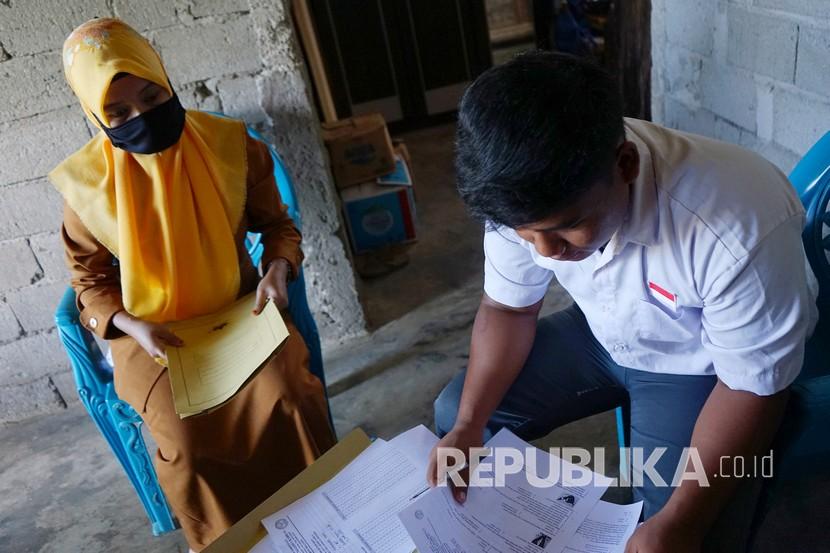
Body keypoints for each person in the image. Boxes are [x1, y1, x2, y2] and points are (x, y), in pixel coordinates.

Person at [428, 51, 819, 552]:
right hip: (602, 330)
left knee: (677, 531)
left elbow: (753, 389)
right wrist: (467, 425)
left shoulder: (734, 226)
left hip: (704, 362)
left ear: (625, 164)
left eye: (565, 227)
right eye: (528, 236)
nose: (548, 253)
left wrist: (682, 521)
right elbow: (508, 309)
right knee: (459, 417)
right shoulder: (521, 188)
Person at [49, 18, 335, 551]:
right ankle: (229, 542)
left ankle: (326, 523)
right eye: (118, 113)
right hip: (152, 335)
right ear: (94, 114)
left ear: (166, 80)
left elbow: (277, 227)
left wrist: (276, 271)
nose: (142, 118)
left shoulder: (231, 146)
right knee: (187, 442)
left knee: (291, 397)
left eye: (152, 95)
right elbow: (86, 278)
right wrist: (131, 325)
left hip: (237, 310)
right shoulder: (86, 187)